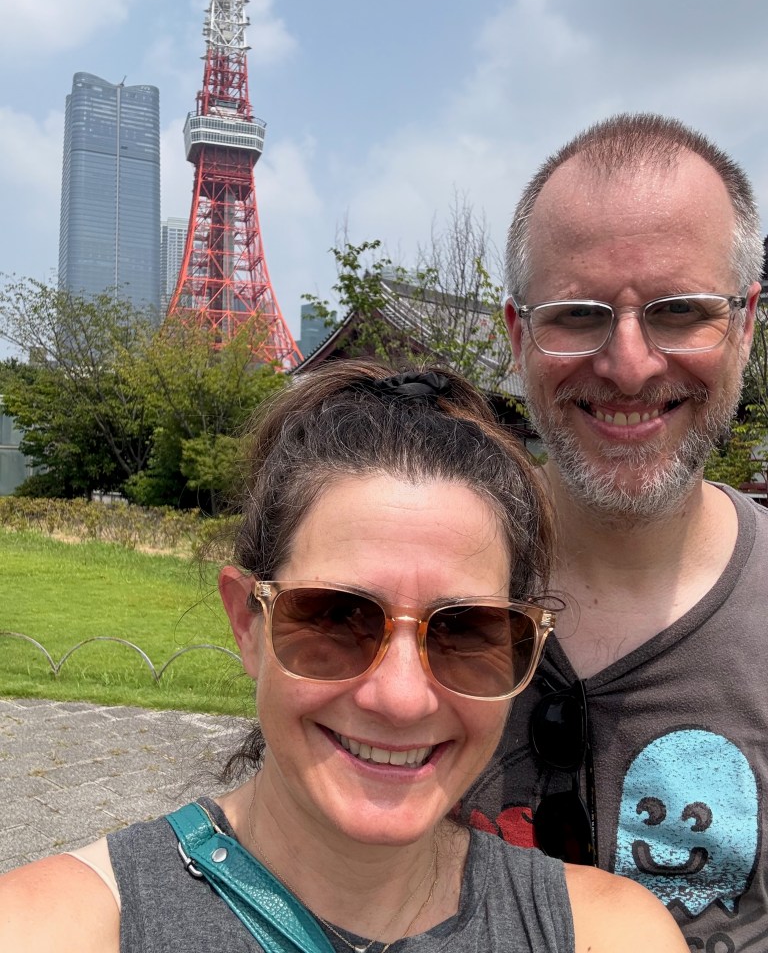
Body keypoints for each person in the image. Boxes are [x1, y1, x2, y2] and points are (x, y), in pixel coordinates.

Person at [0, 360, 687, 953]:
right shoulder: (61, 926)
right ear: (248, 622)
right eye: (336, 618)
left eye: (467, 631)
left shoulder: (607, 933)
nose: (400, 697)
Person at [461, 113, 768, 951]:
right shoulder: (414, 598)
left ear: (745, 324)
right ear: (518, 334)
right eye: (578, 315)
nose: (629, 364)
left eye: (679, 312)